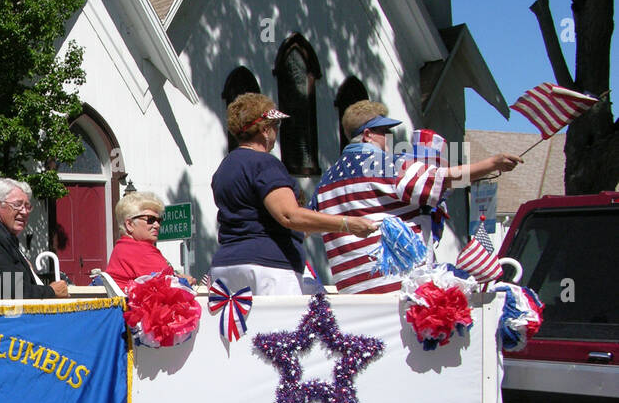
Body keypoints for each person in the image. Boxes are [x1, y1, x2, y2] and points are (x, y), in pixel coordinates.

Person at [313, 101, 521, 293]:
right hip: (397, 287)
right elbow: (443, 178)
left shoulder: (325, 181)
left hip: (352, 290)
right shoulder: (382, 164)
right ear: (368, 134)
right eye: (385, 131)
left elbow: (311, 226)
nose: (389, 137)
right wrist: (492, 164)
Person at [209, 93, 376, 295]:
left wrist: (313, 225)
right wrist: (348, 224)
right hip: (268, 267)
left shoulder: (224, 168)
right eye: (276, 126)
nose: (277, 132)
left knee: (238, 328)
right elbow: (288, 215)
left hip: (226, 266)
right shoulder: (264, 162)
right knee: (279, 327)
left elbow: (256, 217)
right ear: (264, 130)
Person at [0, 178, 68, 300]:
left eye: (27, 206)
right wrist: (51, 291)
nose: (24, 212)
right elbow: (11, 291)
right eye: (17, 205)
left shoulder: (3, 235)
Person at [104, 191, 178, 286]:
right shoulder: (138, 250)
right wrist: (184, 282)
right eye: (150, 220)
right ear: (130, 225)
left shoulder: (123, 247)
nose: (157, 225)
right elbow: (169, 285)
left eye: (159, 220)